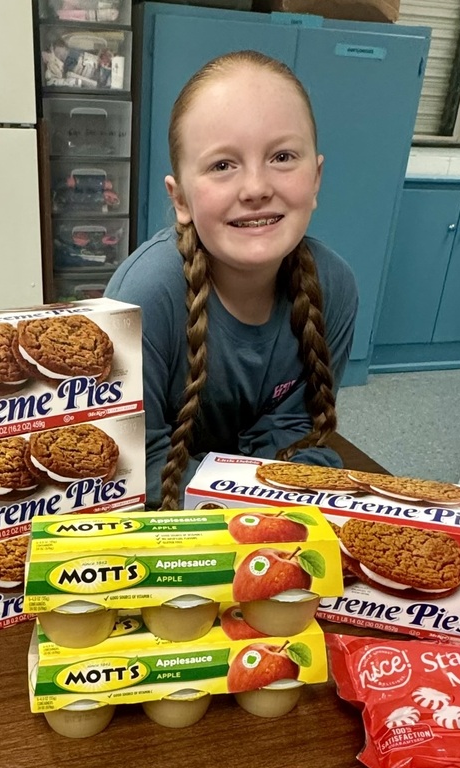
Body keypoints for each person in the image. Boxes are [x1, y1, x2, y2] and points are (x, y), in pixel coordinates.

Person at [106, 50, 359, 510]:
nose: (256, 188)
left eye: (282, 156)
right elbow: (134, 467)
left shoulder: (334, 288)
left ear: (316, 178)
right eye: (223, 165)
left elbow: (296, 437)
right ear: (180, 198)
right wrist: (250, 507)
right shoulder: (141, 297)